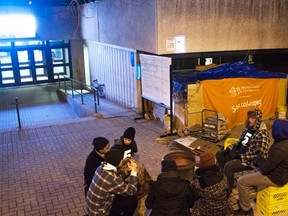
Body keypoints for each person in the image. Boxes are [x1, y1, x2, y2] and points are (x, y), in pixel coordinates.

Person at [235, 119, 288, 215]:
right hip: (282, 172)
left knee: (242, 181)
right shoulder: (283, 141)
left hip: (275, 178)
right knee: (254, 169)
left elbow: (265, 169)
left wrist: (258, 158)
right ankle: (254, 193)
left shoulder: (280, 148)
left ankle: (246, 210)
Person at [215, 109, 270, 196]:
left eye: (253, 118)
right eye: (249, 117)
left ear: (258, 119)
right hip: (239, 153)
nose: (250, 120)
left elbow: (259, 155)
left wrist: (240, 156)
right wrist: (229, 148)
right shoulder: (248, 129)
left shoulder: (262, 135)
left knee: (229, 166)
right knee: (219, 155)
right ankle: (225, 178)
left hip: (249, 160)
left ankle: (228, 189)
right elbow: (240, 142)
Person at [86, 149, 138, 216]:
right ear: (119, 161)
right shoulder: (114, 179)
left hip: (92, 208)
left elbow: (114, 175)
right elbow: (132, 190)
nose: (122, 161)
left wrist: (126, 172)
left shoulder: (101, 167)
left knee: (121, 195)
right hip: (100, 213)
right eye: (121, 159)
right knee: (132, 200)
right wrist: (134, 171)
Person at [112, 126, 152, 198]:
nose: (127, 141)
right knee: (136, 171)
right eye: (125, 139)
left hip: (129, 161)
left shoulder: (132, 144)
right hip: (120, 164)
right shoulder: (117, 146)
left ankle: (146, 185)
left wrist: (131, 160)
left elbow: (133, 152)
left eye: (129, 140)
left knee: (141, 167)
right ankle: (139, 189)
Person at [190, 152, 233, 216]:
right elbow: (228, 192)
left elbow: (192, 198)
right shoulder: (223, 176)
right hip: (224, 210)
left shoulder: (198, 182)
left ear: (201, 165)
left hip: (207, 212)